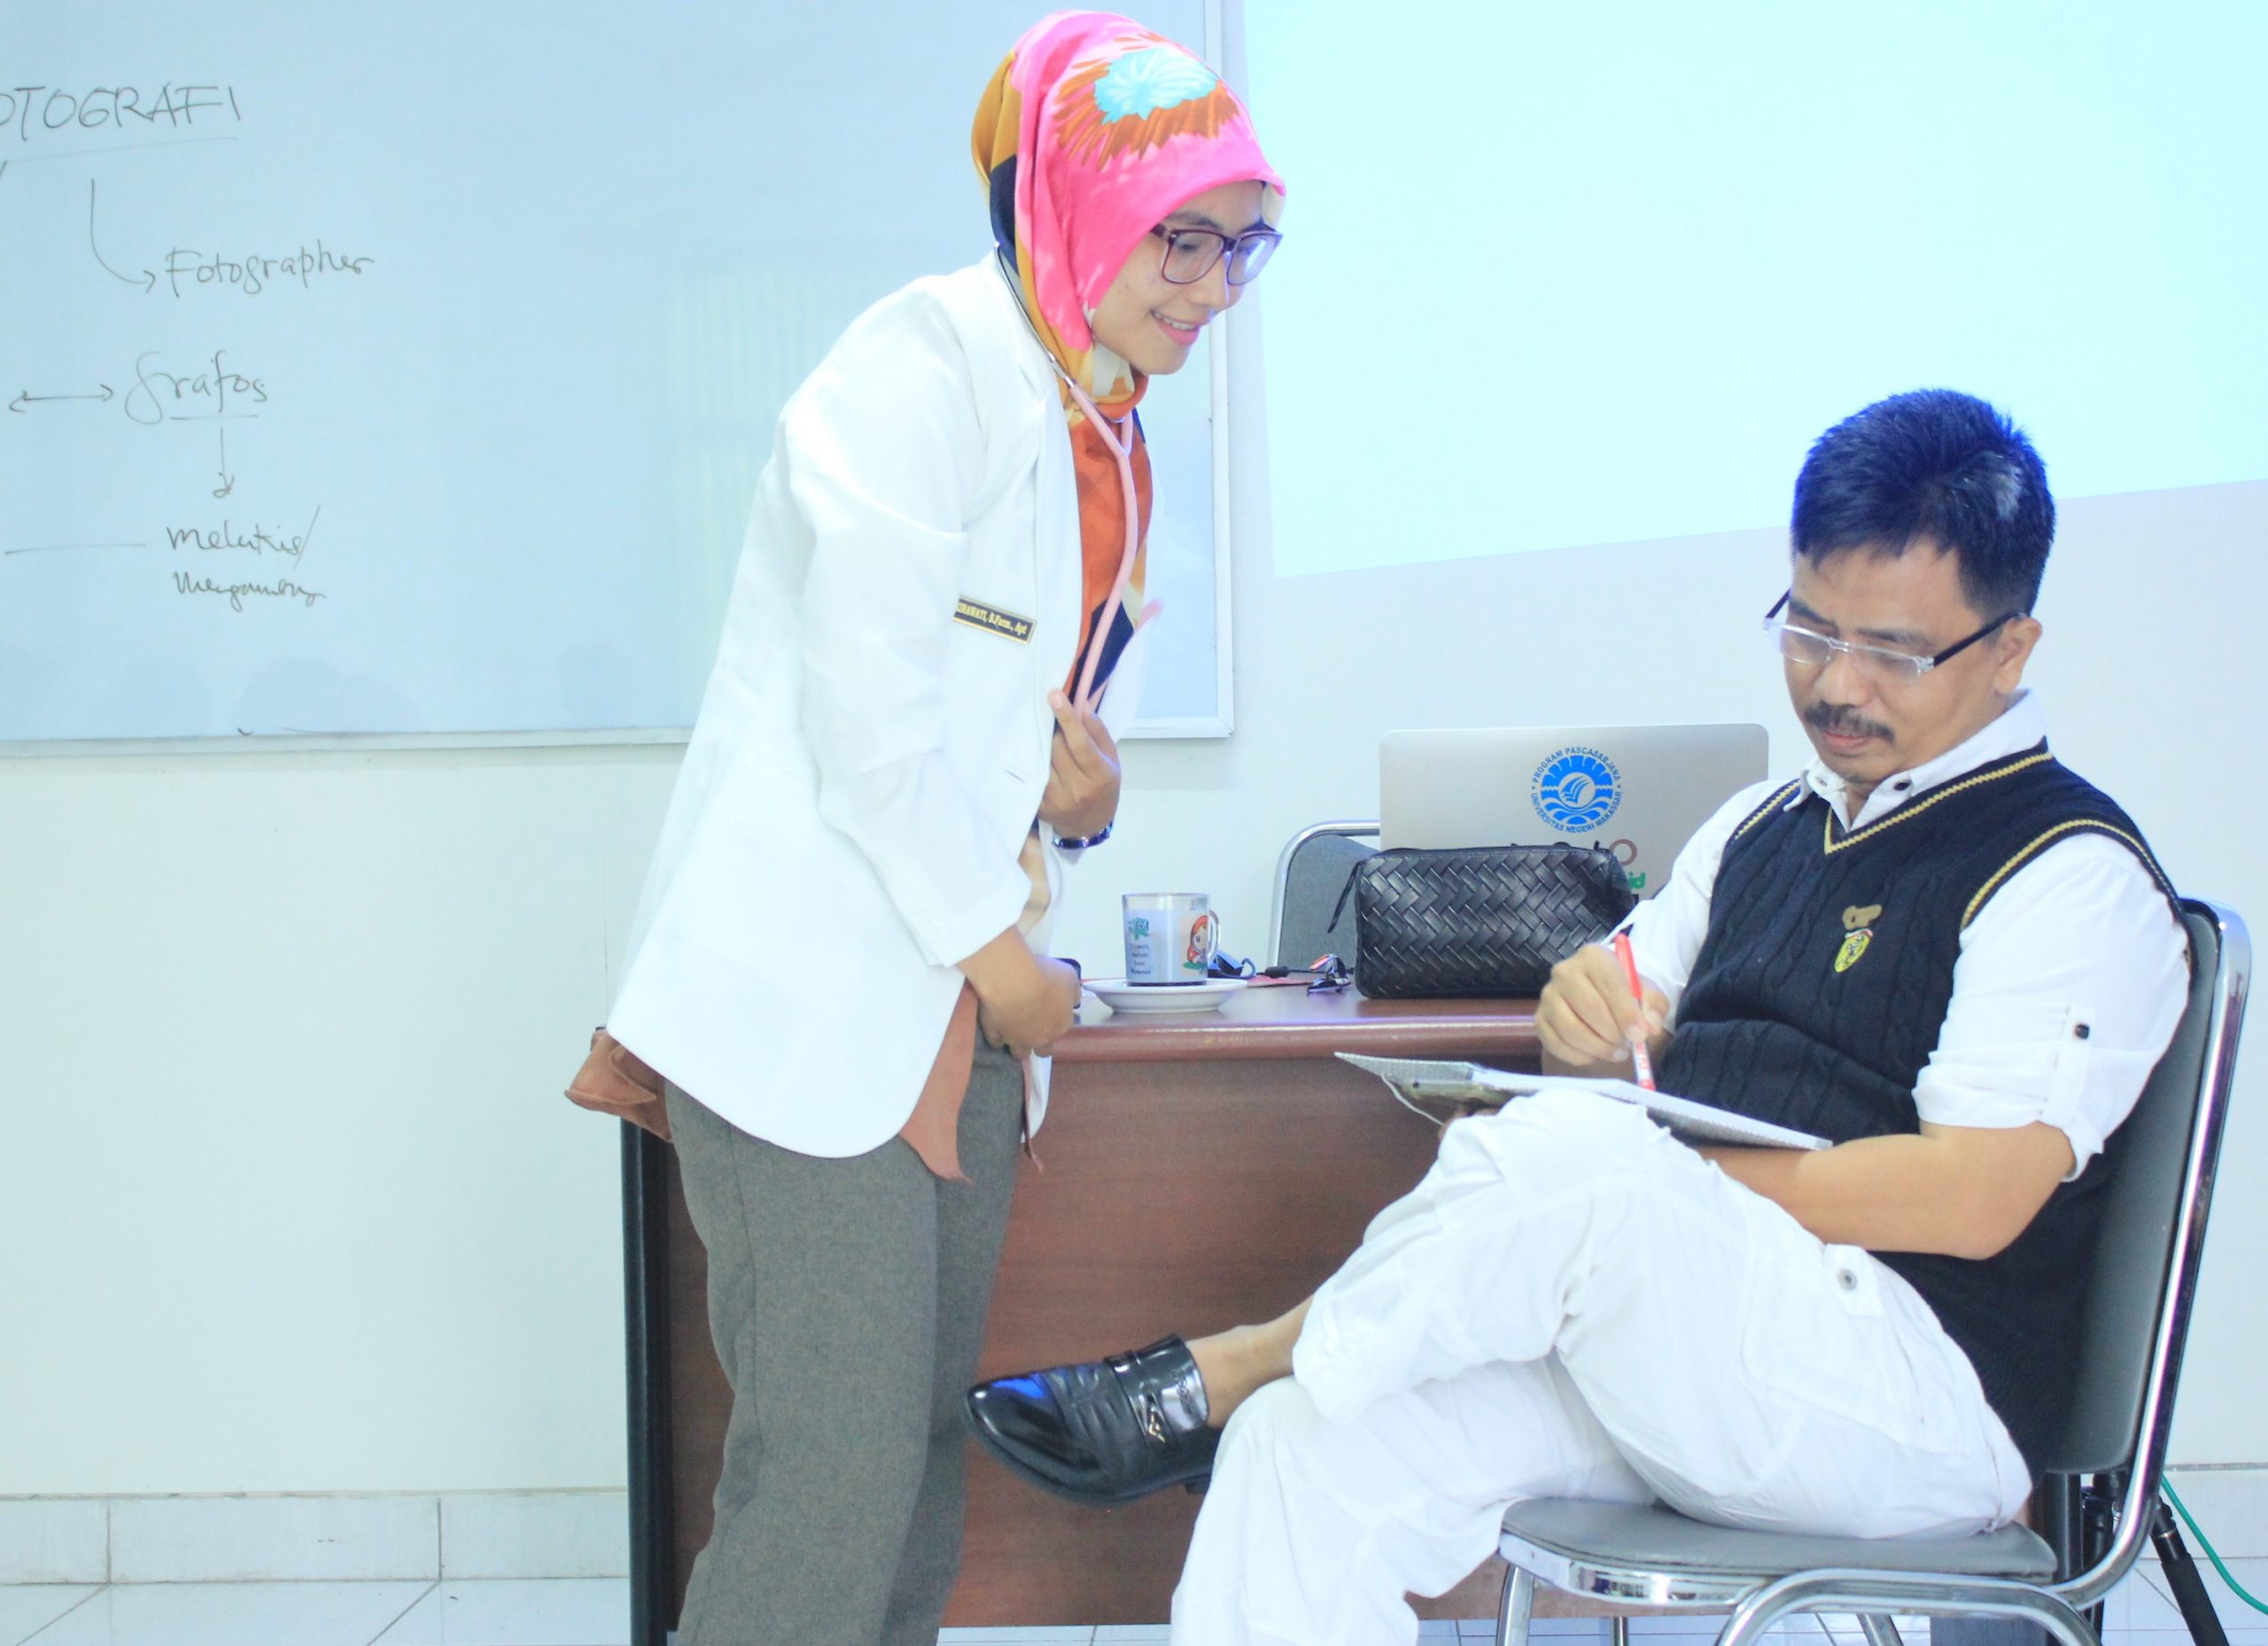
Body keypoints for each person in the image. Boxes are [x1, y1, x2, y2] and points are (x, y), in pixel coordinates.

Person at [963, 389, 2190, 1646]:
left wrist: (1664, 1183)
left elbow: (1973, 1197)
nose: (1836, 683)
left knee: (1583, 1170)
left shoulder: (2067, 871)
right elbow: (1595, 1032)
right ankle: (1260, 1388)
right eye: (1808, 628)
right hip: (1705, 1351)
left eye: (1893, 652)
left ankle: (1235, 1362)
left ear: (2010, 647)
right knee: (1305, 1443)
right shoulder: (1761, 826)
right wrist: (1583, 1023)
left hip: (1916, 1399)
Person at [563, 15, 1284, 1645]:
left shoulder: (1109, 430)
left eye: (1242, 248)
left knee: (911, 1477)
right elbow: (868, 722)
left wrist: (1081, 815)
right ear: (1072, 203)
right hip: (821, 994)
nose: (1212, 286)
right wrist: (1004, 964)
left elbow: (1022, 745)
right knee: (825, 1486)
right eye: (1179, 237)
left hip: (954, 1016)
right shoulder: (921, 368)